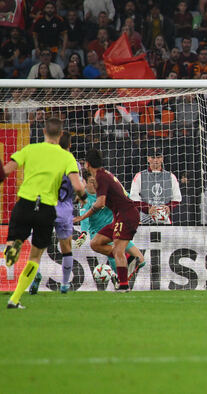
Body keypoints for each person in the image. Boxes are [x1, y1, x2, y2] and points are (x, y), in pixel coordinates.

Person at [3, 118, 85, 309]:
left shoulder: (30, 150)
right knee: (35, 257)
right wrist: (83, 197)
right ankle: (15, 299)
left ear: (43, 132)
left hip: (25, 203)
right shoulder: (66, 157)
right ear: (61, 134)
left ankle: (11, 248)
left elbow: (6, 171)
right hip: (47, 208)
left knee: (15, 238)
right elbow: (77, 185)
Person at [73, 149, 140, 292]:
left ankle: (123, 285)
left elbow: (100, 203)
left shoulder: (101, 177)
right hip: (119, 216)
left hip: (125, 215)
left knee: (118, 251)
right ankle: (130, 260)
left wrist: (83, 217)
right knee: (95, 243)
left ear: (87, 164)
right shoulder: (104, 175)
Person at [29, 132, 82, 295]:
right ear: (70, 145)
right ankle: (65, 284)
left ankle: (34, 276)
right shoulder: (75, 164)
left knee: (37, 248)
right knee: (66, 247)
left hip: (47, 207)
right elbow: (78, 186)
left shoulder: (48, 162)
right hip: (66, 209)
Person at [129, 148, 182, 225]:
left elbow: (177, 198)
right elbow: (133, 197)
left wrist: (168, 207)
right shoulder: (140, 176)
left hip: (164, 219)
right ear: (148, 159)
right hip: (145, 218)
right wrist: (148, 208)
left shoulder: (171, 176)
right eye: (153, 157)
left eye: (158, 157)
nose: (156, 160)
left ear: (162, 159)